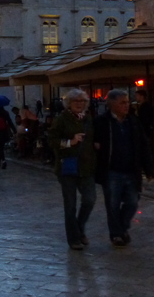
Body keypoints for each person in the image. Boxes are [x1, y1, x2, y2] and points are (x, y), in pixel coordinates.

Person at [94, 89, 154, 248]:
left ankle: (122, 227)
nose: (126, 105)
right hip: (111, 171)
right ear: (111, 104)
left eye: (127, 102)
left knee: (132, 202)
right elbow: (93, 142)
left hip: (131, 170)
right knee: (112, 204)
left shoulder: (133, 121)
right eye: (122, 102)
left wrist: (148, 169)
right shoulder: (102, 122)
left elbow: (143, 145)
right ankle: (117, 234)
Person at [48, 90, 96, 251]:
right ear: (69, 103)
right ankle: (74, 238)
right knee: (70, 205)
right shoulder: (62, 119)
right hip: (67, 166)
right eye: (76, 101)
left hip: (86, 167)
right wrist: (70, 142)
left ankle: (79, 227)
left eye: (82, 101)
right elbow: (51, 140)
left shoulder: (88, 119)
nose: (79, 103)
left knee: (89, 200)